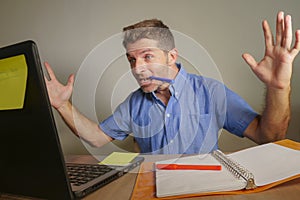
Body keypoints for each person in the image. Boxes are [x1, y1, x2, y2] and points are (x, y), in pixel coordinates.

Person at [44, 11, 300, 154]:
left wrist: (279, 88)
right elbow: (97, 138)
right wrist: (63, 105)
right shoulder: (135, 102)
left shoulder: (210, 92)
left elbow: (270, 137)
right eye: (131, 60)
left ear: (172, 56)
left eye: (147, 57)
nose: (137, 68)